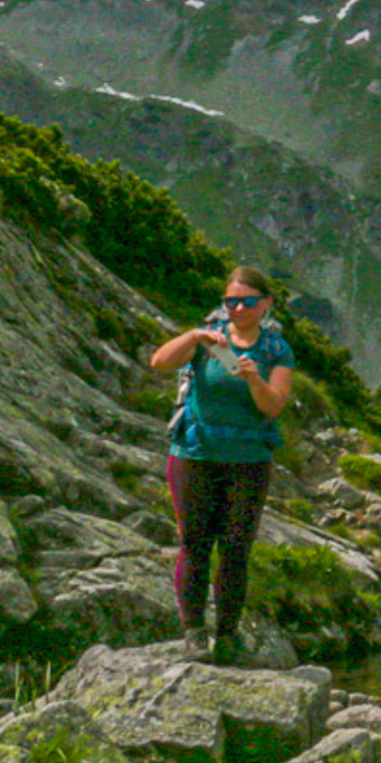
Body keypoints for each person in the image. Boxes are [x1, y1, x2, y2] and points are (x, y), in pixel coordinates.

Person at [148, 267, 296, 664]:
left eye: (247, 302)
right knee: (194, 544)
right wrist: (194, 336)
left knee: (235, 549)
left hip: (248, 458)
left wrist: (253, 380)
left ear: (265, 304)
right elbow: (159, 362)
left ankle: (227, 635)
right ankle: (194, 633)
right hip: (195, 453)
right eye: (231, 301)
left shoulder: (276, 350)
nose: (238, 309)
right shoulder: (206, 339)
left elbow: (272, 406)